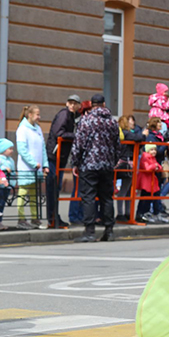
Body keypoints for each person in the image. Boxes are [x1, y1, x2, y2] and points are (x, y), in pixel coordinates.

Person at [70, 94, 121, 242]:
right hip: (107, 165)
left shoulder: (86, 121)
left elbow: (78, 144)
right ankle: (109, 231)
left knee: (88, 198)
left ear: (92, 105)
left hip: (89, 164)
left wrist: (75, 162)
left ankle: (90, 232)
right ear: (104, 104)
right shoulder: (112, 122)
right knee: (107, 197)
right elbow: (118, 145)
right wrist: (114, 161)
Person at [45, 94, 80, 228]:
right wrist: (75, 136)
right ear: (67, 104)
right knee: (53, 187)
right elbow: (58, 132)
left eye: (74, 103)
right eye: (70, 103)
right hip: (54, 155)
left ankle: (54, 217)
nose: (72, 105)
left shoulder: (72, 116)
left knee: (55, 187)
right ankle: (52, 218)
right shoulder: (64, 114)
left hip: (60, 156)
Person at [16, 105, 48, 230]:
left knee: (35, 194)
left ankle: (35, 218)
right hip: (27, 167)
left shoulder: (38, 129)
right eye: (37, 114)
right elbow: (22, 150)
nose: (39, 117)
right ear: (30, 115)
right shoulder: (22, 129)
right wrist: (33, 163)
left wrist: (45, 164)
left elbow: (42, 149)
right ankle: (21, 218)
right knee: (23, 193)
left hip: (37, 168)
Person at [116, 115, 147, 222]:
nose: (133, 123)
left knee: (128, 190)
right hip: (126, 163)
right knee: (125, 190)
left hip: (123, 162)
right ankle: (121, 214)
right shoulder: (126, 133)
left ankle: (127, 213)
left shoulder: (121, 133)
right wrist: (144, 134)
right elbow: (139, 139)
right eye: (131, 121)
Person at [0, 138, 15, 230]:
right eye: (10, 149)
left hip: (8, 185)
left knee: (2, 203)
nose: (12, 151)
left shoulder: (11, 160)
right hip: (1, 185)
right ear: (3, 149)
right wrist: (5, 169)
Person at [136, 144, 163, 223]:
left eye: (155, 150)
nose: (154, 151)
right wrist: (155, 166)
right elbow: (147, 168)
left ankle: (145, 213)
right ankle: (140, 214)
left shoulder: (152, 158)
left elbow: (159, 167)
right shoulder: (145, 157)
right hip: (146, 180)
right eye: (151, 150)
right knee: (145, 198)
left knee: (149, 198)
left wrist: (156, 166)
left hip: (151, 180)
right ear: (147, 150)